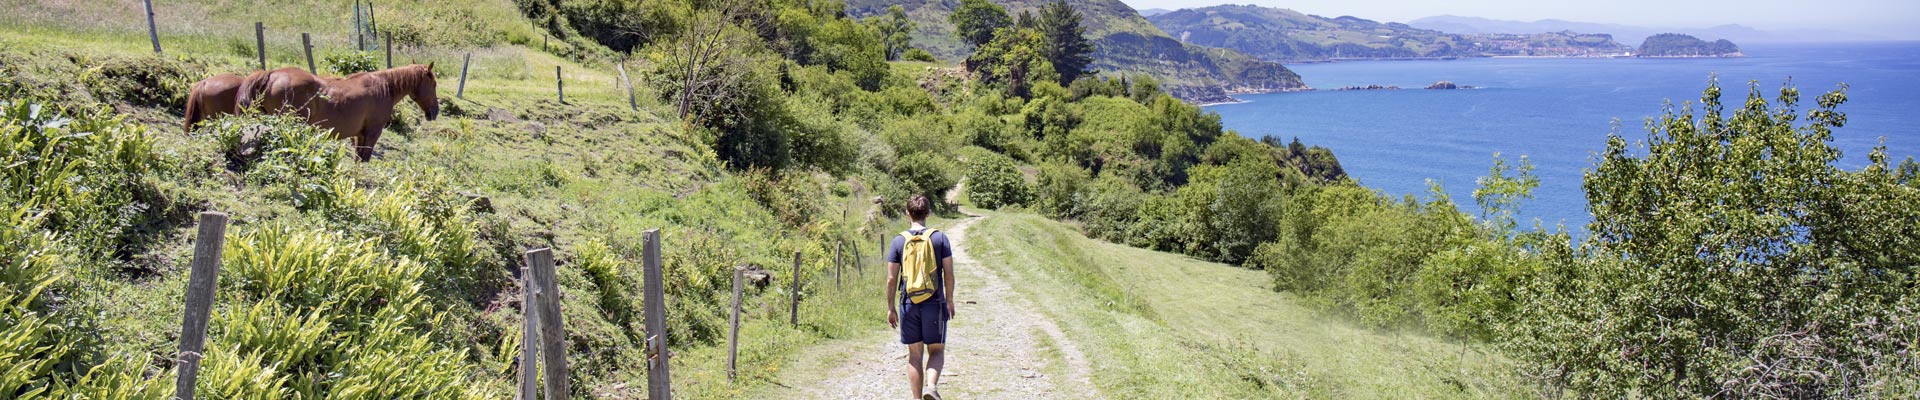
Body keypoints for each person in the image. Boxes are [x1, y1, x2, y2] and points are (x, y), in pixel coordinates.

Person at [886, 194, 955, 400]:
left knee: (914, 355)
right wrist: (949, 299)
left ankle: (917, 399)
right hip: (934, 302)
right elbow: (949, 274)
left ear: (907, 213)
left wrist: (891, 308)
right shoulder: (940, 238)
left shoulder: (899, 241)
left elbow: (891, 278)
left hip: (909, 302)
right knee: (936, 350)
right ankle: (931, 387)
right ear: (929, 213)